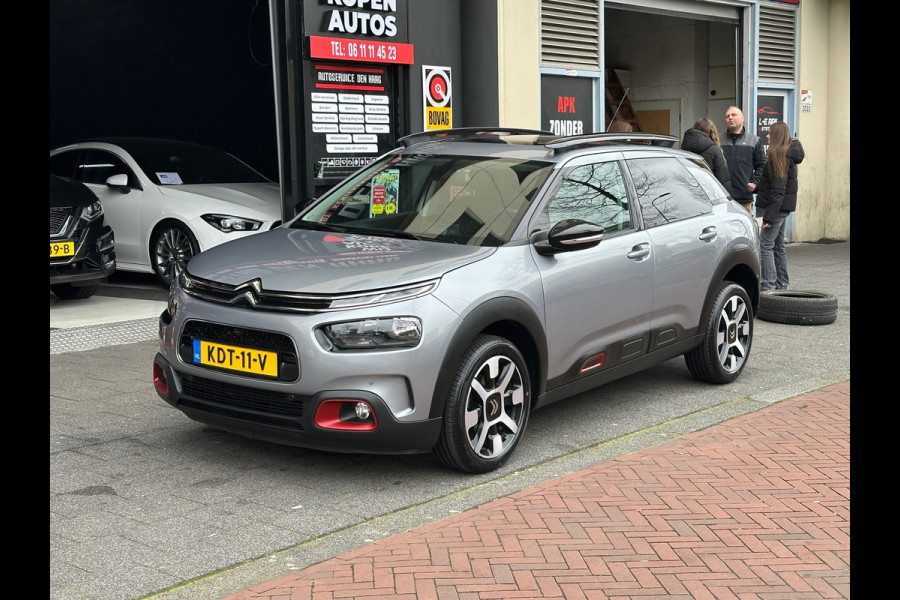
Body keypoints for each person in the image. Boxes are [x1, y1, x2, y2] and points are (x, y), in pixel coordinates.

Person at [755, 121, 805, 291]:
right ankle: (781, 284)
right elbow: (776, 186)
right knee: (778, 245)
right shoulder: (788, 154)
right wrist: (758, 187)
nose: (767, 136)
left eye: (770, 133)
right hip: (783, 208)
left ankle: (768, 286)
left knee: (766, 245)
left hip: (776, 208)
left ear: (776, 136)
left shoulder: (778, 155)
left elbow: (778, 190)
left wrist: (768, 217)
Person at [721, 106, 766, 213]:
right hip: (722, 197)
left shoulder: (754, 140)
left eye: (734, 115)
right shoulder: (718, 140)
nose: (730, 118)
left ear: (742, 118)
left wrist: (755, 183)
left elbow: (762, 165)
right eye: (727, 116)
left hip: (743, 198)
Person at [681, 118, 731, 194]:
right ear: (711, 132)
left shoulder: (683, 149)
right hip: (710, 195)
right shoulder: (715, 150)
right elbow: (722, 180)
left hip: (688, 194)